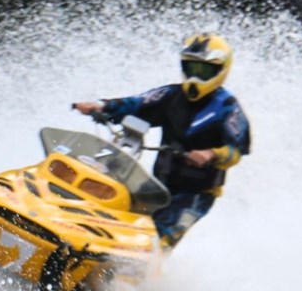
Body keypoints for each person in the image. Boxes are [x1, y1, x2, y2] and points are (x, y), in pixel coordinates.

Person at [71, 33, 251, 249]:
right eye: (191, 68)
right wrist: (101, 107)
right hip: (157, 185)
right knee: (115, 215)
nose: (195, 77)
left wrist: (211, 154)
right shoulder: (170, 95)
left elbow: (236, 150)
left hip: (194, 195)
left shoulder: (227, 108)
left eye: (203, 71)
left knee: (159, 240)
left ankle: (138, 280)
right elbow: (136, 103)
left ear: (221, 70)